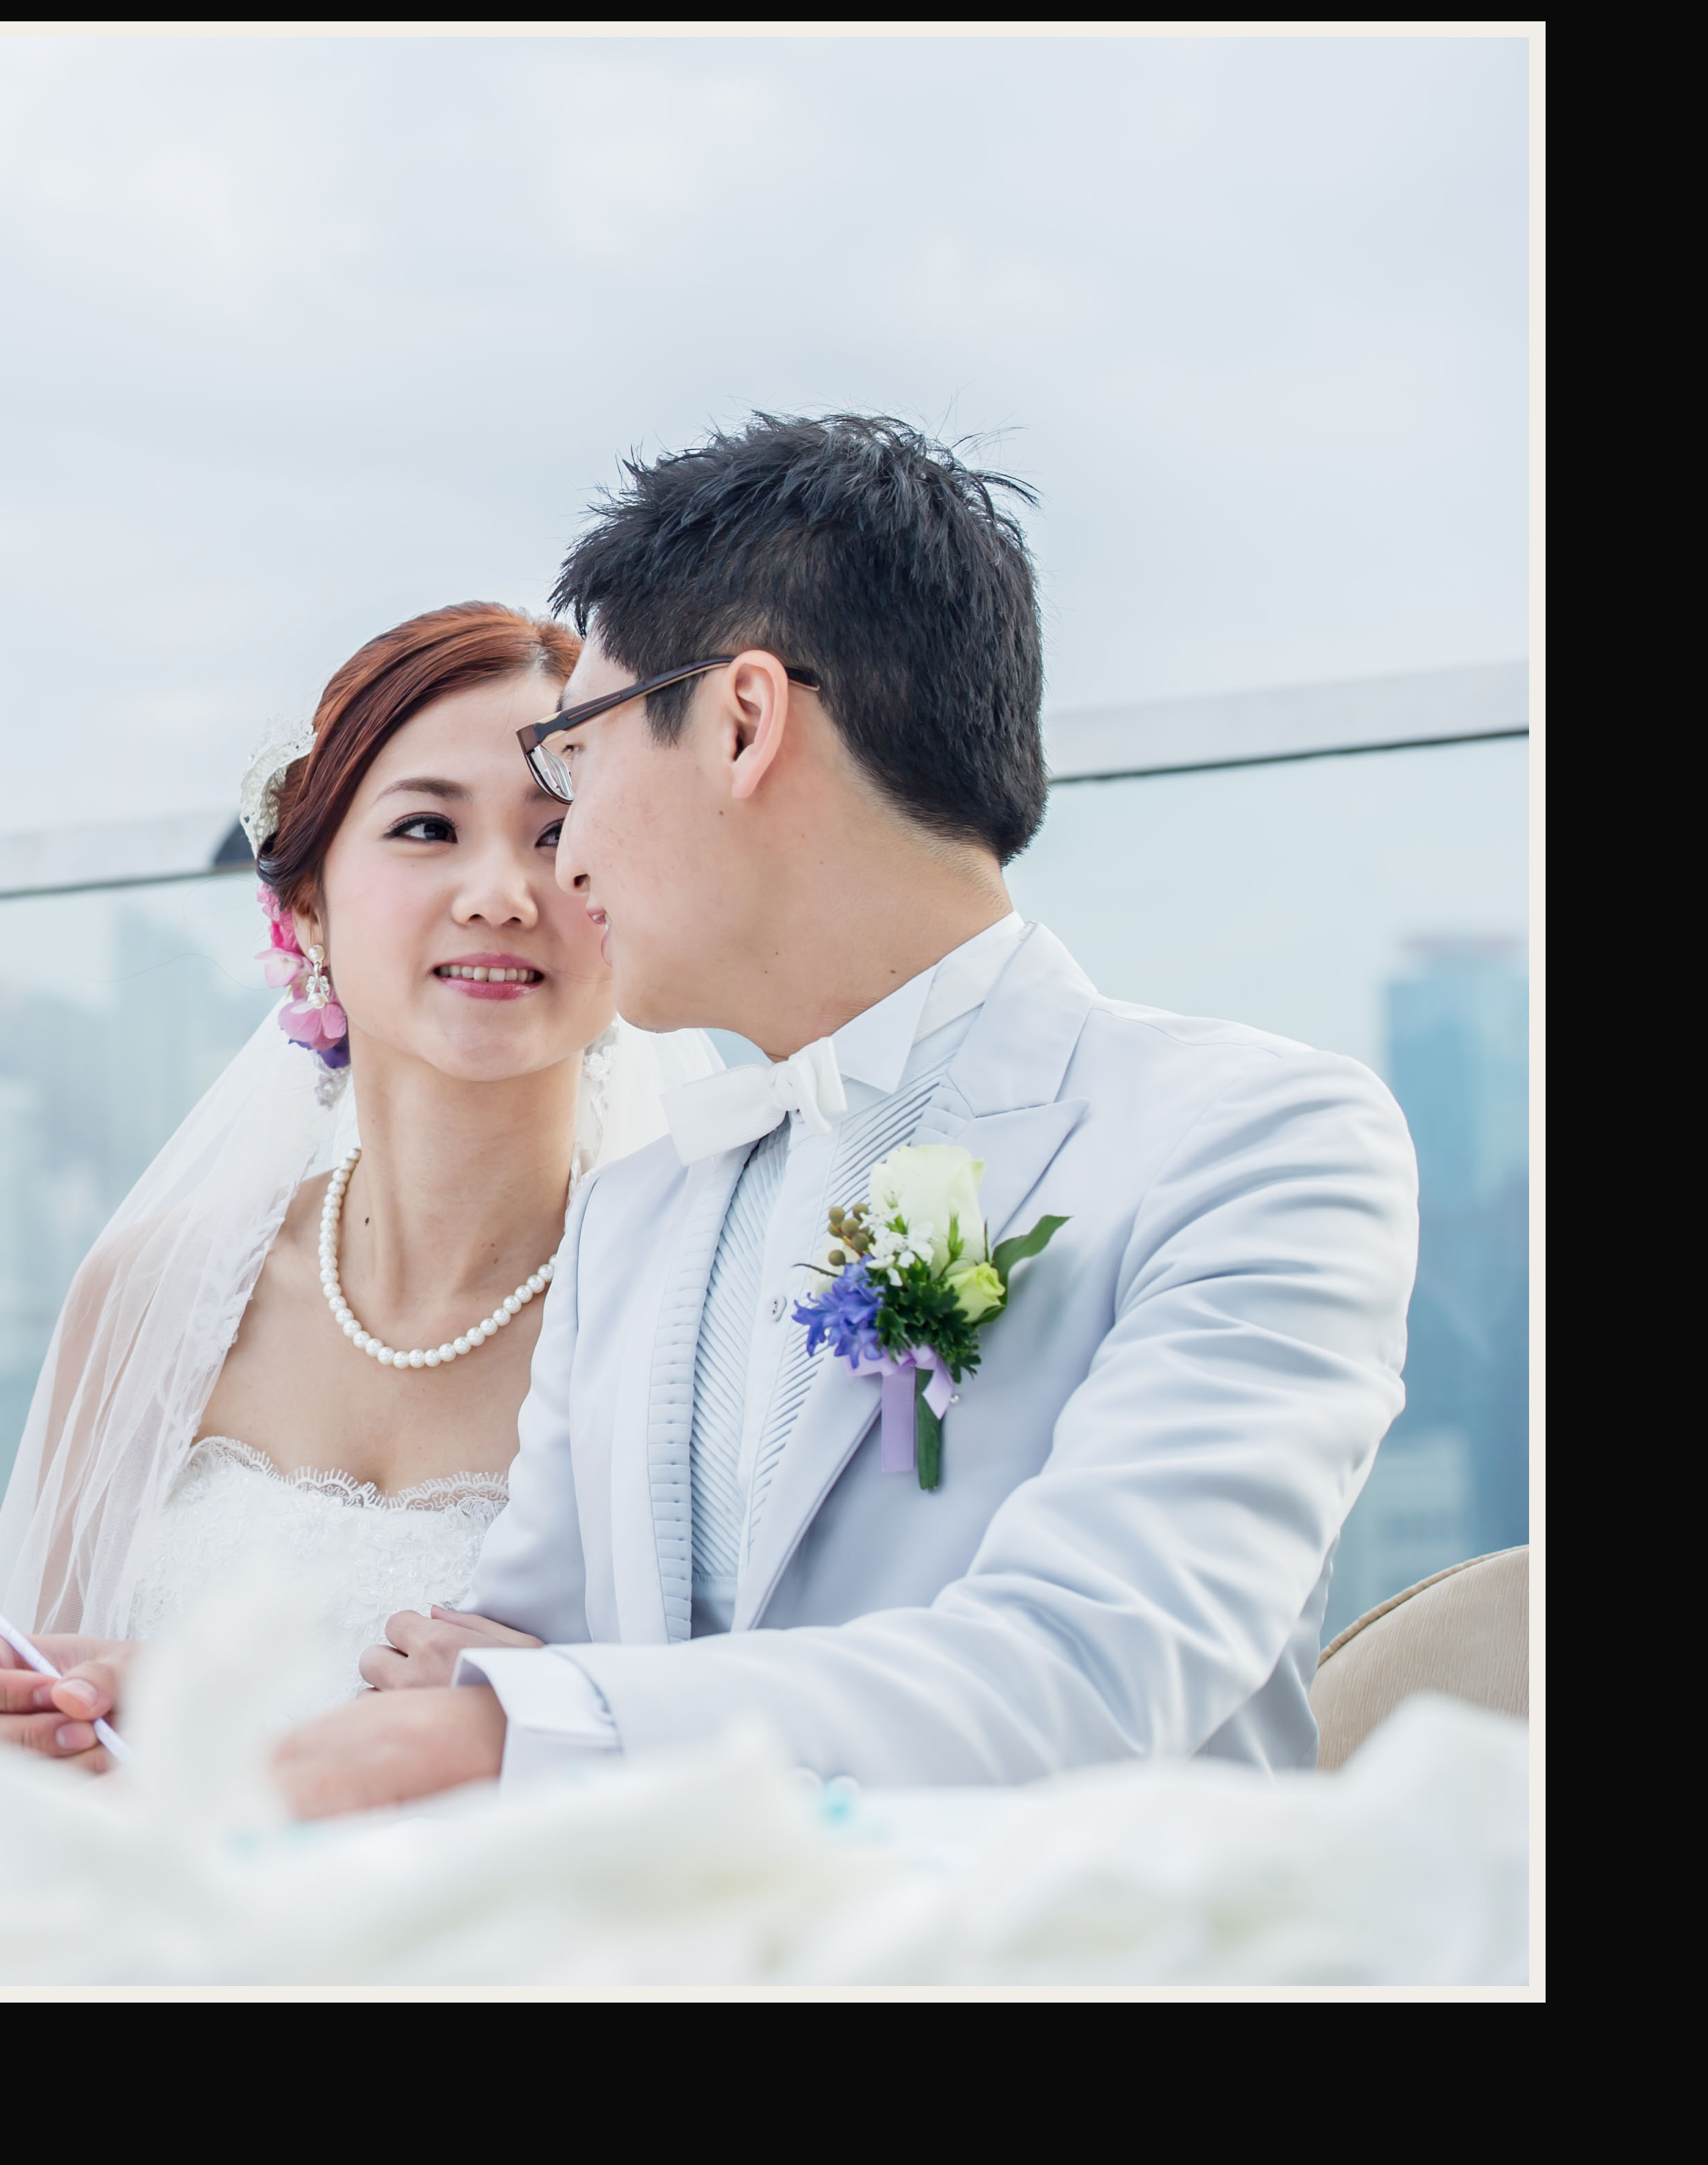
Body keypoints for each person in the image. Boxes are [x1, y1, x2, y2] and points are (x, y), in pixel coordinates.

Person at [277, 414, 1418, 1816]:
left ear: (743, 723)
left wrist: (539, 1715)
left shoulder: (1257, 1144)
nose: (566, 856)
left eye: (576, 757)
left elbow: (1092, 1673)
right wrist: (185, 1709)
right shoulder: (633, 1213)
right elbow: (497, 1674)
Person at [0, 603, 683, 1764]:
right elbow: (39, 1734)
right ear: (306, 903)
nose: (499, 893)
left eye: (556, 833)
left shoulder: (685, 1314)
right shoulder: (156, 1294)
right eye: (427, 827)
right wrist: (60, 1722)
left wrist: (552, 1717)